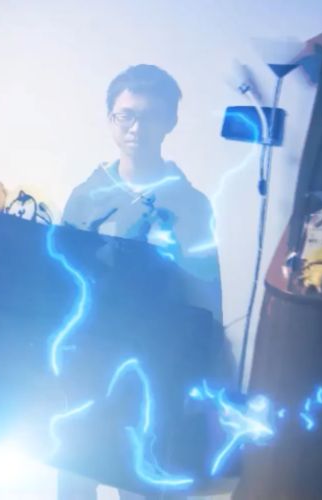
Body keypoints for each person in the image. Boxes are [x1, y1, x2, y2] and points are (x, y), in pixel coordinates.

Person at [58, 64, 232, 500]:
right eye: (127, 115)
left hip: (157, 357)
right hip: (92, 351)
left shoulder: (190, 204)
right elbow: (60, 279)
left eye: (151, 116)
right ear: (111, 119)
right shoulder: (86, 196)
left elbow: (205, 295)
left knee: (142, 467)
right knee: (77, 460)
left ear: (170, 121)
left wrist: (202, 369)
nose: (137, 128)